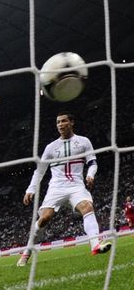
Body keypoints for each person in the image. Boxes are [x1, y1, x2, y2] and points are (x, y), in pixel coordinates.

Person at [17, 112, 112, 267]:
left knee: (87, 207)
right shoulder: (50, 147)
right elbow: (40, 171)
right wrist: (31, 189)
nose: (60, 124)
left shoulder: (83, 142)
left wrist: (90, 175)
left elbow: (93, 162)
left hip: (76, 185)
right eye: (58, 122)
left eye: (63, 121)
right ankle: (27, 252)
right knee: (44, 218)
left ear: (71, 122)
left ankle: (95, 245)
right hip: (56, 187)